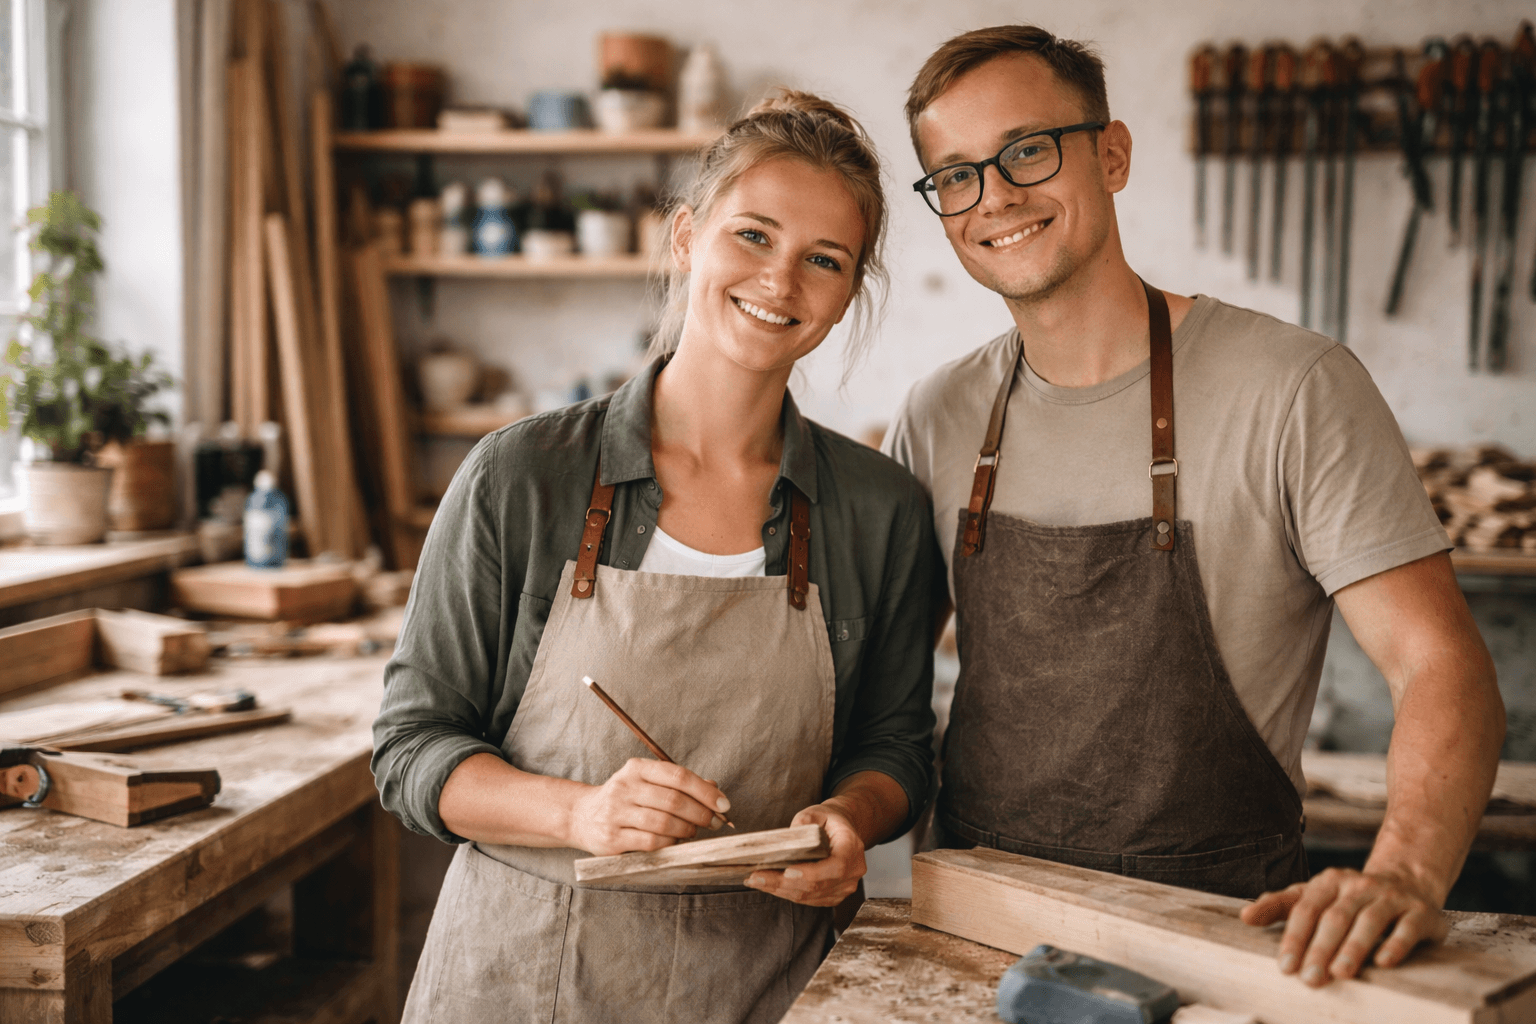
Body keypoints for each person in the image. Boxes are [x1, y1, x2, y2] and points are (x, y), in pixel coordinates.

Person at [884, 25, 1505, 991]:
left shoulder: (1294, 387)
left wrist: (1404, 872)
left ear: (1113, 153)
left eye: (1027, 150)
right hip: (981, 928)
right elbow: (887, 690)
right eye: (955, 175)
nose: (994, 194)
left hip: (1219, 940)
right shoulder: (938, 414)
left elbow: (1440, 663)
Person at [373, 90, 937, 1024]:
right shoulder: (523, 475)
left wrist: (851, 822)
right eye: (752, 235)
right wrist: (579, 815)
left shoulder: (879, 511)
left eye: (824, 260)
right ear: (686, 238)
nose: (780, 280)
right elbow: (410, 749)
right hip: (521, 978)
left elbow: (895, 746)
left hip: (766, 981)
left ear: (847, 297)